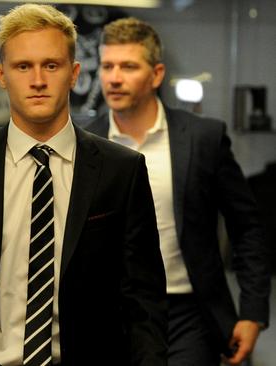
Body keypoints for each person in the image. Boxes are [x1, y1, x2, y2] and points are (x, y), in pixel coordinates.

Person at [0, 4, 167, 366]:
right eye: (23, 66)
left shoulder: (120, 170)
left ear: (74, 74)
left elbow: (143, 299)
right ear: (1, 74)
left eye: (52, 65)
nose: (38, 80)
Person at [86, 17, 271, 366]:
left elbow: (246, 227)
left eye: (128, 66)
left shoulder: (203, 138)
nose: (113, 77)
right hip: (112, 310)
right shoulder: (86, 143)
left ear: (156, 74)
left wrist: (253, 312)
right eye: (107, 66)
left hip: (188, 311)